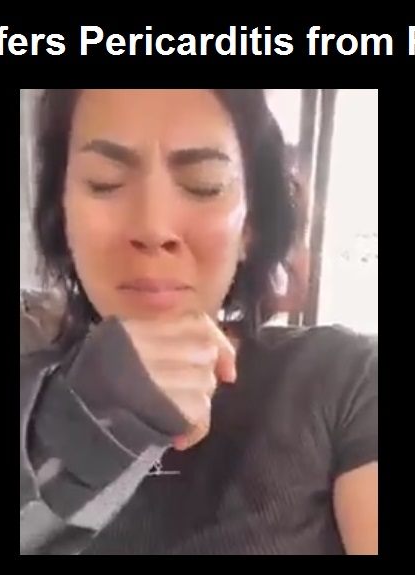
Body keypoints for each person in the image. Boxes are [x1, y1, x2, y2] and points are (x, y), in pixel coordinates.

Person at [19, 89, 378, 555]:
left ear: (250, 226)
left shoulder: (347, 380)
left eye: (205, 185)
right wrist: (80, 428)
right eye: (105, 183)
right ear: (63, 213)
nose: (153, 228)